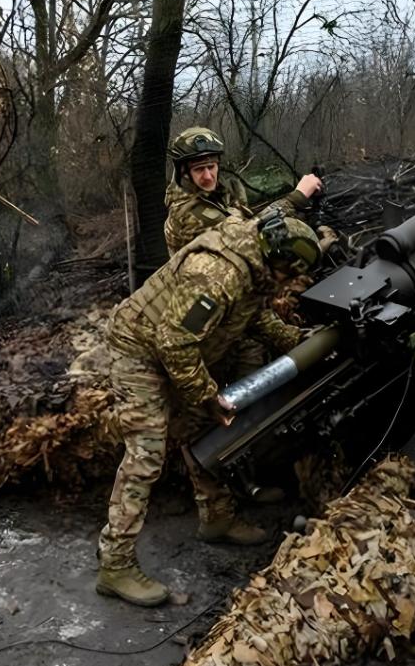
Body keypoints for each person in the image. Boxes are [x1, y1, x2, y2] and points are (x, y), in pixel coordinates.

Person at [96, 213, 321, 607]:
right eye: (289, 277)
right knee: (146, 454)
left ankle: (216, 516)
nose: (286, 286)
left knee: (201, 432)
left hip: (172, 350)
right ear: (278, 263)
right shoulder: (218, 274)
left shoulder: (256, 263)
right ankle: (115, 565)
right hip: (139, 351)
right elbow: (174, 343)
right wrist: (206, 396)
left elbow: (254, 316)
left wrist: (300, 341)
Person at [163, 126, 323, 254]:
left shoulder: (211, 193)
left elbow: (245, 221)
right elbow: (247, 238)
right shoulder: (191, 214)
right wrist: (296, 198)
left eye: (211, 167)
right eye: (199, 170)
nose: (208, 176)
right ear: (184, 173)